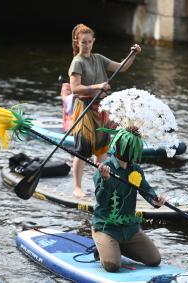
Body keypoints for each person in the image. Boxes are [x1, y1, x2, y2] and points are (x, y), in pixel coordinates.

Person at [68, 23, 141, 198]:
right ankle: (77, 187)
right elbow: (75, 88)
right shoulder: (77, 62)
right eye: (83, 42)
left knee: (101, 149)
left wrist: (134, 54)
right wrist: (98, 86)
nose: (86, 45)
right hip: (84, 108)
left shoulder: (99, 58)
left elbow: (122, 67)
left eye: (89, 42)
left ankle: (99, 183)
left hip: (101, 107)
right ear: (77, 42)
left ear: (93, 41)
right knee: (83, 148)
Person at [92, 127, 166, 272]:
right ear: (121, 146)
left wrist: (155, 200)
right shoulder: (104, 169)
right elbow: (101, 201)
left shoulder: (136, 170)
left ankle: (118, 247)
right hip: (106, 227)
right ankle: (102, 247)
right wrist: (106, 180)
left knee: (154, 260)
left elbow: (146, 190)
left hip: (129, 228)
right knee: (112, 266)